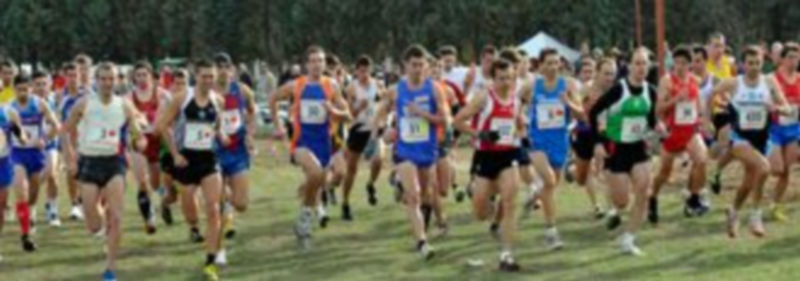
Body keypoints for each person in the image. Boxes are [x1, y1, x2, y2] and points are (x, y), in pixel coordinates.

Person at [63, 62, 145, 281]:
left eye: (111, 79)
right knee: (93, 224)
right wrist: (70, 157)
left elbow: (137, 132)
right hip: (89, 162)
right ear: (95, 81)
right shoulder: (84, 104)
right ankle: (100, 226)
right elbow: (65, 131)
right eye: (103, 79)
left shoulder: (124, 105)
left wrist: (141, 141)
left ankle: (110, 268)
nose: (107, 83)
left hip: (114, 162)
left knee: (117, 217)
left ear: (117, 81)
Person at [372, 44, 449, 260]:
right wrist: (382, 131)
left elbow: (445, 120)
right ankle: (422, 242)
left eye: (421, 65)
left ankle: (399, 184)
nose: (417, 69)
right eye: (413, 65)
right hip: (404, 151)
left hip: (427, 150)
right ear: (405, 65)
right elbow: (379, 115)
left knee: (427, 194)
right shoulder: (396, 90)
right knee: (413, 196)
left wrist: (422, 113)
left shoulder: (434, 89)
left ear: (426, 66)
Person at [269, 46, 351, 249]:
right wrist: (278, 126)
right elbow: (272, 98)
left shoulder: (331, 85)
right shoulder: (296, 85)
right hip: (301, 143)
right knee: (314, 173)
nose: (317, 65)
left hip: (323, 143)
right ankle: (306, 219)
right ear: (306, 64)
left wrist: (333, 111)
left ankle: (304, 220)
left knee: (316, 182)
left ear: (324, 64)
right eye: (313, 61)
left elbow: (347, 114)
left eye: (320, 61)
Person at [156, 59, 226, 280]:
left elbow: (216, 124)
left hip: (209, 158)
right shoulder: (182, 98)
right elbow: (161, 127)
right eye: (204, 76)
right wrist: (175, 154)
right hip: (186, 160)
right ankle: (194, 227)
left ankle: (211, 261)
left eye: (211, 77)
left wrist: (220, 134)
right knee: (189, 204)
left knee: (214, 209)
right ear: (196, 76)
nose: (208, 80)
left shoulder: (218, 100)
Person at [712, 46, 790, 238]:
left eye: (757, 63)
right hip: (739, 138)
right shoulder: (734, 83)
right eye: (750, 63)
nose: (754, 67)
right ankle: (756, 216)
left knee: (748, 183)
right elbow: (709, 94)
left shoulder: (769, 82)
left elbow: (787, 108)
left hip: (761, 139)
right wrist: (707, 119)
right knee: (764, 168)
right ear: (742, 64)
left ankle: (733, 211)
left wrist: (776, 107)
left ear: (763, 63)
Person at [453, 58, 523, 271]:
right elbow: (457, 120)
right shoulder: (484, 98)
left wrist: (521, 134)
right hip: (485, 156)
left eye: (510, 78)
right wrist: (480, 133)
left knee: (510, 201)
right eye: (501, 78)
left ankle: (507, 255)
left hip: (508, 155)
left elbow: (517, 123)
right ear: (493, 79)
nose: (506, 82)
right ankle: (484, 198)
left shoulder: (516, 100)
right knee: (480, 212)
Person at [590, 48, 658, 256]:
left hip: (638, 146)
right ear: (629, 66)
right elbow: (593, 113)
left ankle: (629, 239)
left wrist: (658, 127)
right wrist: (599, 143)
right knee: (622, 201)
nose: (640, 68)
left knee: (643, 190)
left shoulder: (651, 91)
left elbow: (651, 119)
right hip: (616, 147)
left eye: (644, 64)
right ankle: (615, 207)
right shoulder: (618, 90)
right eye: (637, 63)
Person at [518, 48, 582, 251]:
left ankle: (534, 194)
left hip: (560, 142)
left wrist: (569, 103)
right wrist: (520, 121)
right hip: (537, 140)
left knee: (550, 186)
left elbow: (582, 115)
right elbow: (514, 103)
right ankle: (551, 231)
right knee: (550, 180)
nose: (553, 67)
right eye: (549, 63)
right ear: (541, 65)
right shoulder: (532, 85)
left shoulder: (569, 85)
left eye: (556, 63)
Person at [649, 46, 710, 224]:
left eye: (684, 63)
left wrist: (703, 120)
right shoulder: (667, 81)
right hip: (672, 132)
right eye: (677, 63)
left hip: (690, 130)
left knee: (702, 159)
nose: (680, 66)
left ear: (690, 65)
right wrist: (676, 99)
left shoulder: (694, 81)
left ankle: (693, 198)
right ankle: (653, 197)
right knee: (664, 174)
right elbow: (658, 109)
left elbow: (698, 104)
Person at [213, 52, 257, 245]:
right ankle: (223, 224)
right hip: (214, 150)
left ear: (232, 70)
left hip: (237, 149)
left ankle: (230, 208)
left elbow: (252, 112)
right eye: (219, 67)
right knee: (217, 194)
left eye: (226, 67)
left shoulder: (242, 90)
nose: (223, 71)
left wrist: (250, 134)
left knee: (242, 204)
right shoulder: (207, 93)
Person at [10, 73, 61, 238]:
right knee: (20, 189)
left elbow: (56, 126)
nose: (23, 93)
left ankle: (31, 211)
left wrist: (44, 139)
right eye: (19, 90)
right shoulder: (9, 108)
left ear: (30, 89)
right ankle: (24, 227)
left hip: (36, 153)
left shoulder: (40, 104)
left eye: (26, 89)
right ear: (14, 90)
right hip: (17, 153)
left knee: (33, 190)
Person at [571, 58, 618, 221]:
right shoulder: (586, 89)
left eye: (612, 74)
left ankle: (608, 208)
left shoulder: (615, 91)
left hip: (604, 134)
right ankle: (572, 171)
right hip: (584, 134)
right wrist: (582, 112)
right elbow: (575, 111)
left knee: (607, 170)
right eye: (606, 73)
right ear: (597, 73)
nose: (609, 78)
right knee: (581, 178)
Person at [128, 61, 170, 235]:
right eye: (138, 75)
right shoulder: (129, 98)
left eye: (145, 74)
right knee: (142, 181)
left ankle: (163, 201)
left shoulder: (162, 95)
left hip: (157, 142)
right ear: (134, 78)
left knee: (155, 182)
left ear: (151, 76)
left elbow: (171, 115)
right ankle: (149, 218)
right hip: (138, 142)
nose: (142, 78)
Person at [340, 55, 385, 219]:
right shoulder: (351, 88)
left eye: (366, 70)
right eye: (360, 70)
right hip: (358, 129)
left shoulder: (378, 84)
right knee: (352, 169)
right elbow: (349, 113)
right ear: (356, 71)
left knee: (379, 159)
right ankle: (345, 202)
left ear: (370, 70)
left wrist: (382, 116)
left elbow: (385, 103)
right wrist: (359, 106)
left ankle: (371, 184)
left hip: (374, 128)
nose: (364, 73)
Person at [766, 43, 800, 222]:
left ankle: (775, 205)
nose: (794, 61)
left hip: (793, 130)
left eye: (797, 57)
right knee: (776, 170)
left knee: (786, 171)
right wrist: (776, 107)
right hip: (775, 129)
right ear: (782, 59)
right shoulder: (772, 78)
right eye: (790, 57)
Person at [31, 71, 63, 227]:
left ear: (50, 85)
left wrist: (46, 139)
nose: (41, 87)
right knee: (42, 176)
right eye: (38, 84)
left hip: (50, 142)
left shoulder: (55, 100)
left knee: (52, 174)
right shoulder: (28, 102)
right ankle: (32, 207)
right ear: (32, 86)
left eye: (44, 84)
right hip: (31, 146)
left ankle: (53, 210)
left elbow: (58, 125)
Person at [59, 62, 87, 221]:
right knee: (71, 171)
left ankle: (85, 202)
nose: (73, 79)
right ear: (65, 77)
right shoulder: (60, 97)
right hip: (68, 139)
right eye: (69, 75)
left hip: (87, 139)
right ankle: (75, 205)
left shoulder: (88, 94)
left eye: (75, 75)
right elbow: (60, 123)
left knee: (86, 173)